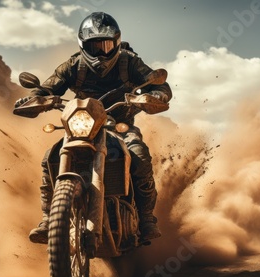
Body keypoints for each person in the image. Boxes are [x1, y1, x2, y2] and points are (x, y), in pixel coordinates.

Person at [15, 12, 172, 244]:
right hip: (82, 125)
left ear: (117, 43)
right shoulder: (73, 65)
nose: (102, 52)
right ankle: (49, 218)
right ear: (83, 44)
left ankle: (147, 218)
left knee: (138, 154)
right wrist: (35, 98)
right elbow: (48, 87)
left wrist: (156, 94)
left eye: (107, 45)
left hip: (120, 126)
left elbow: (157, 82)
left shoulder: (129, 61)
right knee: (51, 157)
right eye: (95, 46)